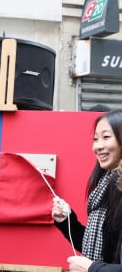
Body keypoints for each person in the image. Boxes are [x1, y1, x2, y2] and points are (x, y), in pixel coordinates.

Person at [52, 110, 122, 271]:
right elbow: (99, 245)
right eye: (95, 139)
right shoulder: (106, 185)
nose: (98, 146)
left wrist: (93, 268)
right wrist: (67, 221)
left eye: (106, 137)